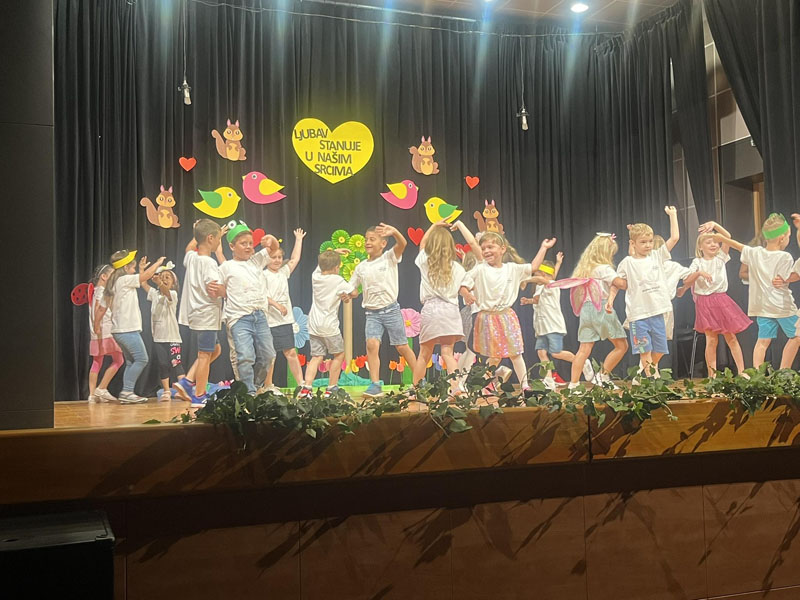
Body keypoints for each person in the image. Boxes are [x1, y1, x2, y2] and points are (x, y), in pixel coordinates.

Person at [468, 227, 556, 393]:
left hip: (506, 316)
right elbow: (464, 282)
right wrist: (466, 294)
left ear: (502, 249)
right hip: (487, 317)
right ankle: (486, 384)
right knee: (494, 356)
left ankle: (525, 386)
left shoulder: (512, 269)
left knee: (516, 353)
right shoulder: (480, 269)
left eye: (490, 247)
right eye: (483, 248)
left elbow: (533, 266)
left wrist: (544, 248)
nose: (486, 251)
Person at [713, 213, 800, 369]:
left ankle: (757, 374)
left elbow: (738, 246)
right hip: (782, 306)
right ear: (781, 238)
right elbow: (789, 276)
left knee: (762, 342)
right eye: (788, 236)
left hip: (762, 307)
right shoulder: (785, 257)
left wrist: (723, 239)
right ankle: (784, 370)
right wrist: (786, 280)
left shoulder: (756, 252)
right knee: (796, 336)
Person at [610, 206, 688, 378]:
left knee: (660, 349)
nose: (648, 245)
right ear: (633, 243)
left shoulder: (657, 256)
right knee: (644, 350)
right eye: (643, 242)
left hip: (658, 311)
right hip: (638, 315)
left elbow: (675, 238)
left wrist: (673, 215)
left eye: (650, 241)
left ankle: (646, 371)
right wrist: (610, 300)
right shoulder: (627, 262)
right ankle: (651, 378)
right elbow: (616, 283)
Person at [550, 233, 628, 388]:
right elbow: (621, 284)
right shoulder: (604, 269)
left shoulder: (586, 269)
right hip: (602, 307)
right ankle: (602, 376)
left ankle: (573, 384)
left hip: (586, 310)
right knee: (622, 346)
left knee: (584, 349)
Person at [349, 223, 417, 398]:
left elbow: (402, 244)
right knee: (371, 345)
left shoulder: (389, 257)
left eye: (372, 239)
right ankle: (375, 384)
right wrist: (349, 294)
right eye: (366, 239)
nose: (367, 242)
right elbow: (353, 288)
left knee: (401, 346)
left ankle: (419, 379)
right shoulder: (361, 267)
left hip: (391, 310)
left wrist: (394, 232)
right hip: (372, 313)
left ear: (383, 243)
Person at [411, 220, 475, 397]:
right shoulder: (458, 268)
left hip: (432, 310)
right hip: (450, 311)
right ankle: (456, 388)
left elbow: (422, 244)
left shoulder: (425, 261)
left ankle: (415, 390)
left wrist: (434, 226)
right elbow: (464, 287)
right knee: (448, 352)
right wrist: (467, 295)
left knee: (424, 354)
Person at [682, 221, 751, 376]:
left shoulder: (721, 257)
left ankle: (742, 371)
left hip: (721, 300)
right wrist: (699, 273)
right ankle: (711, 375)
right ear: (700, 247)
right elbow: (687, 280)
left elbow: (727, 236)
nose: (713, 244)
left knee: (731, 337)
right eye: (708, 242)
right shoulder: (697, 262)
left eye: (715, 242)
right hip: (704, 302)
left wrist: (714, 225)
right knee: (711, 340)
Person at [218, 222, 279, 394]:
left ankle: (256, 385)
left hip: (259, 315)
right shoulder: (226, 267)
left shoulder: (256, 261)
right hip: (239, 318)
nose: (248, 247)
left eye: (250, 243)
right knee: (245, 356)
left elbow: (274, 248)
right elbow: (219, 289)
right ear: (232, 246)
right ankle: (248, 392)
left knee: (269, 354)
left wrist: (271, 239)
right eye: (243, 243)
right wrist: (221, 291)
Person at [520, 252, 593, 390]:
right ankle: (549, 380)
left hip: (553, 326)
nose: (535, 276)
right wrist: (528, 301)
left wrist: (526, 279)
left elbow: (547, 278)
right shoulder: (541, 287)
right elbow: (537, 299)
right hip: (542, 327)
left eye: (538, 273)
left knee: (555, 353)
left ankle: (582, 362)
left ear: (544, 274)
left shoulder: (552, 285)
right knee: (541, 352)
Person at [100, 250, 165, 403]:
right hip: (126, 329)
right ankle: (127, 392)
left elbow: (141, 278)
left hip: (122, 330)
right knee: (142, 359)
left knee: (131, 361)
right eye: (133, 267)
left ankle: (127, 392)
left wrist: (142, 269)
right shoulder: (123, 280)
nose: (134, 269)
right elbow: (145, 277)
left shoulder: (119, 281)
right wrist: (158, 263)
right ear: (125, 267)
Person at [175, 219, 227, 406]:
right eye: (219, 238)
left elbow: (189, 248)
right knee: (205, 355)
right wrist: (229, 291)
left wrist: (196, 231)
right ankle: (199, 395)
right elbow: (215, 290)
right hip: (207, 314)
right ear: (210, 238)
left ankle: (187, 381)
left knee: (216, 349)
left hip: (196, 313)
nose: (219, 242)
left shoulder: (192, 257)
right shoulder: (209, 263)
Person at [302, 249, 355, 399]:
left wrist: (333, 251)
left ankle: (306, 389)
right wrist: (346, 294)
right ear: (336, 267)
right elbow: (355, 292)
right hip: (329, 326)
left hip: (314, 325)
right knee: (339, 354)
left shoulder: (315, 276)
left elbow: (321, 265)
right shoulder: (337, 280)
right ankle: (331, 388)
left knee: (316, 356)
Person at [262, 228, 306, 394]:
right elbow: (263, 296)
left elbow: (295, 259)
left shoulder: (283, 272)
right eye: (273, 257)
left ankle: (301, 384)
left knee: (291, 352)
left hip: (285, 321)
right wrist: (277, 305)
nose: (277, 260)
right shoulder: (263, 275)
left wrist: (298, 240)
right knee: (270, 355)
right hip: (269, 321)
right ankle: (268, 385)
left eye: (280, 257)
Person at [143, 262, 185, 400]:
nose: (164, 279)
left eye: (168, 277)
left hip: (172, 337)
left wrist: (160, 283)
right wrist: (142, 270)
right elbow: (143, 283)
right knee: (163, 364)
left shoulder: (172, 293)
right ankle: (166, 391)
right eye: (162, 277)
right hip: (158, 338)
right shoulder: (154, 294)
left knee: (176, 363)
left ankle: (184, 389)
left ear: (173, 283)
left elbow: (166, 292)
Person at [88, 263, 124, 402]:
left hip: (97, 332)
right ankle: (101, 389)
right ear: (104, 277)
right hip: (105, 330)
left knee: (97, 361)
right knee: (119, 360)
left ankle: (92, 395)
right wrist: (97, 326)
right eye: (112, 275)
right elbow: (98, 309)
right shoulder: (102, 291)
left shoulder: (95, 291)